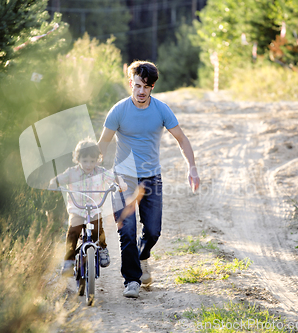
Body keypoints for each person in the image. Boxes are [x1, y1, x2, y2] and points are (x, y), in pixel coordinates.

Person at [98, 61, 200, 298]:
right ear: (130, 84)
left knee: (153, 231)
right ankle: (131, 280)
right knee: (128, 229)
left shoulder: (161, 110)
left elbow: (182, 140)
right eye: (136, 86)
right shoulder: (119, 110)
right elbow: (102, 144)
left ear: (152, 86)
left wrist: (192, 168)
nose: (141, 91)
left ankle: (144, 256)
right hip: (124, 178)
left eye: (146, 86)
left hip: (151, 177)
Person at [49, 138, 126, 276]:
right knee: (73, 230)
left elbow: (114, 177)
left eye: (92, 161)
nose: (89, 165)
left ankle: (102, 248)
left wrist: (121, 183)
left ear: (98, 159)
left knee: (97, 229)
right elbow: (58, 180)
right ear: (78, 159)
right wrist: (53, 184)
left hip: (95, 207)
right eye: (85, 161)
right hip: (77, 209)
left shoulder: (100, 172)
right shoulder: (72, 173)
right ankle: (69, 260)